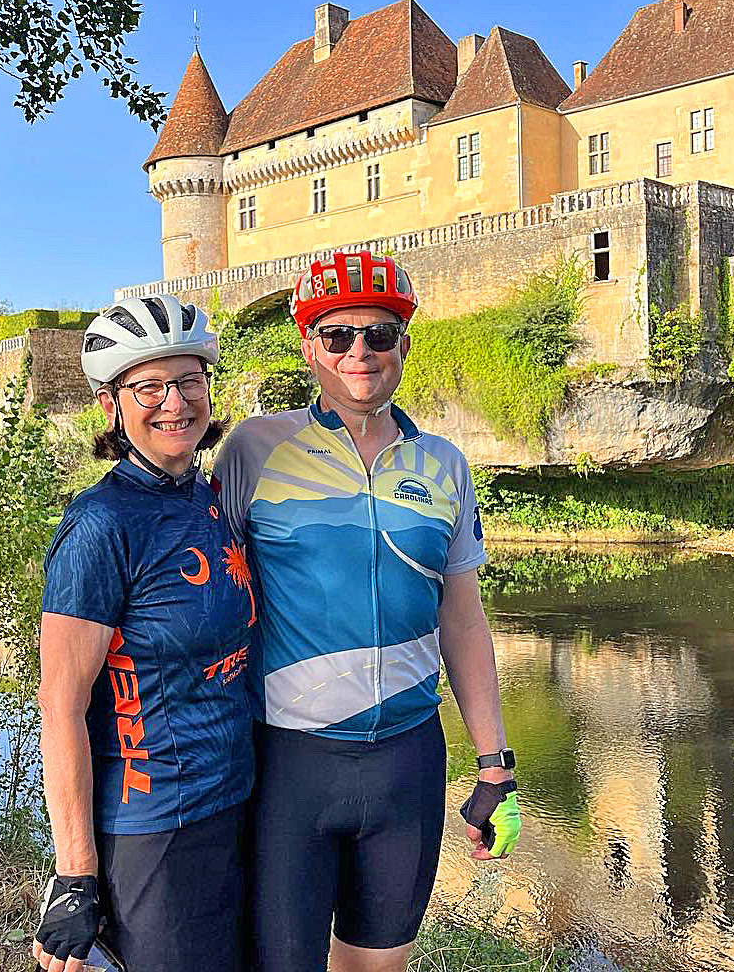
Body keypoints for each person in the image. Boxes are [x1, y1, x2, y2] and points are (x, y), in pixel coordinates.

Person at [214, 249, 522, 972]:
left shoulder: (442, 462)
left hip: (408, 762)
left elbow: (465, 622)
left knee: (379, 967)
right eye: (337, 335)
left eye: (379, 335)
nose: (360, 351)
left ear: (403, 348)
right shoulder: (256, 449)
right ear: (307, 347)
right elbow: (205, 598)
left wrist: (495, 765)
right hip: (289, 761)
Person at [33, 295, 255, 972]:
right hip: (154, 825)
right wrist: (76, 875)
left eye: (189, 381)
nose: (174, 402)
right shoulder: (101, 526)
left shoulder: (210, 498)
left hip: (237, 801)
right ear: (112, 408)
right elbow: (60, 706)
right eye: (149, 386)